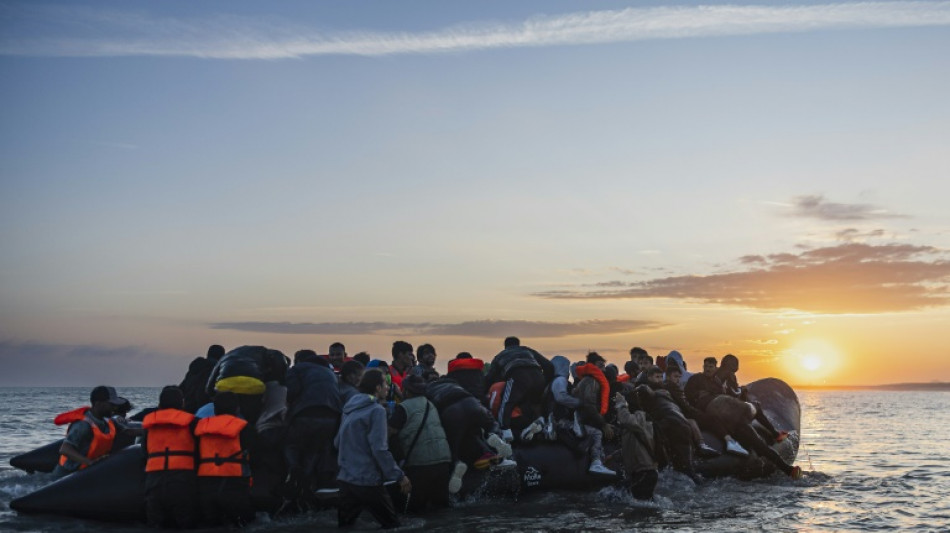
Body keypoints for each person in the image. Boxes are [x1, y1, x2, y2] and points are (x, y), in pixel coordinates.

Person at [335, 369, 411, 529]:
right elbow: (380, 449)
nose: (387, 387)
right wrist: (399, 475)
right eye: (384, 383)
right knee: (394, 526)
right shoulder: (376, 411)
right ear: (377, 388)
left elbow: (337, 442)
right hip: (368, 482)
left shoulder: (349, 408)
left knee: (345, 527)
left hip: (346, 481)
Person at [283, 349, 342, 508]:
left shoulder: (297, 369)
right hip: (332, 418)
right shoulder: (330, 373)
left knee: (292, 446)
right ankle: (307, 489)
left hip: (305, 415)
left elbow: (291, 392)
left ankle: (294, 472)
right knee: (314, 451)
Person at [388, 375, 453, 510]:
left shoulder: (403, 408)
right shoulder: (431, 404)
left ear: (405, 390)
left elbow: (389, 433)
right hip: (443, 462)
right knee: (440, 508)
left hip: (420, 465)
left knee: (416, 509)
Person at [195, 392, 255, 527]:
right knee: (244, 524)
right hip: (235, 485)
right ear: (237, 409)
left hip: (207, 486)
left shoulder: (200, 426)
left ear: (215, 409)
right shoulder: (245, 428)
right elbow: (255, 451)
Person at [142, 386, 198, 529]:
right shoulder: (192, 422)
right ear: (182, 403)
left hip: (154, 481)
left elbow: (144, 451)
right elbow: (201, 449)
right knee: (185, 524)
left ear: (160, 404)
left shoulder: (149, 424)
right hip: (182, 481)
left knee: (155, 524)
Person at [637, 366, 700, 482]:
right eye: (657, 377)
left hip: (674, 420)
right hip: (670, 420)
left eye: (661, 377)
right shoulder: (647, 388)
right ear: (649, 377)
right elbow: (644, 390)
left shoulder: (665, 390)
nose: (660, 380)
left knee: (685, 463)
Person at [52, 386, 129, 478]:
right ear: (98, 403)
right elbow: (65, 449)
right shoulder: (83, 425)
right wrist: (90, 463)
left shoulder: (107, 421)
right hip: (66, 475)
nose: (114, 408)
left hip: (85, 472)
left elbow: (127, 431)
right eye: (111, 404)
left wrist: (147, 429)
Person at [205, 345, 289, 426]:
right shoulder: (268, 353)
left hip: (225, 385)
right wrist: (281, 380)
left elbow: (210, 384)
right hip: (251, 384)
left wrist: (212, 394)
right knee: (251, 416)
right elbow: (278, 362)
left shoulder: (227, 356)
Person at [485, 342, 551, 442]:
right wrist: (547, 382)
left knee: (507, 403)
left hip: (517, 375)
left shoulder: (501, 355)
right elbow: (548, 365)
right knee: (533, 403)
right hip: (538, 376)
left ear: (505, 346)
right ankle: (540, 423)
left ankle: (505, 432)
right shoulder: (527, 350)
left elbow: (490, 377)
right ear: (518, 344)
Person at [684, 356, 749, 456]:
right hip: (699, 409)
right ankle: (729, 441)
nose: (708, 369)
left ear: (715, 368)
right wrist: (699, 395)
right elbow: (688, 394)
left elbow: (723, 395)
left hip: (716, 408)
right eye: (706, 366)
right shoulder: (696, 378)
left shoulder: (717, 382)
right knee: (713, 418)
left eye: (710, 367)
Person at [572, 354, 617, 476]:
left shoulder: (586, 381)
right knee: (598, 433)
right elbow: (588, 405)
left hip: (585, 418)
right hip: (583, 421)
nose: (604, 369)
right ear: (591, 366)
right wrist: (603, 424)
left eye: (604, 366)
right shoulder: (592, 381)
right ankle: (596, 463)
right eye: (600, 366)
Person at [612, 392, 658, 500]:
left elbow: (626, 420)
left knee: (639, 508)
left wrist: (621, 404)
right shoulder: (635, 427)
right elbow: (634, 446)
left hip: (645, 473)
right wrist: (616, 455)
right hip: (643, 473)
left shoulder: (640, 416)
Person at [179, 345, 224, 413]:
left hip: (188, 411)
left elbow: (181, 390)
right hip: (206, 411)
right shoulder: (217, 371)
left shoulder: (193, 370)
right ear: (222, 357)